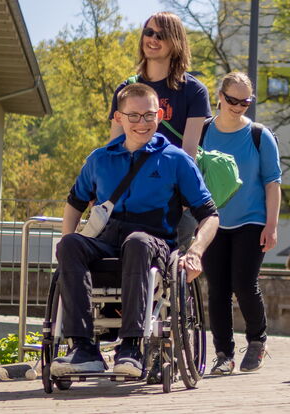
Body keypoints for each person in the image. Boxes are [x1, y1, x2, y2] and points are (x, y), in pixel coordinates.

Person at [51, 83, 219, 377]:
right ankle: (83, 348)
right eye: (134, 116)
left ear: (161, 115)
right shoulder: (99, 159)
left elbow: (210, 215)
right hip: (107, 238)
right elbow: (75, 203)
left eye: (149, 115)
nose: (142, 123)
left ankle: (130, 347)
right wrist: (68, 238)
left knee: (137, 242)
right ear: (118, 118)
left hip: (153, 239)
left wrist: (195, 251)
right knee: (69, 246)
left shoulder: (176, 159)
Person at [108, 11, 212, 251]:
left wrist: (181, 197)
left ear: (175, 42)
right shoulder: (126, 88)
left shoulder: (194, 91)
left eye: (161, 35)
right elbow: (115, 145)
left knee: (171, 273)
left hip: (171, 199)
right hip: (130, 197)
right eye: (148, 32)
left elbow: (189, 152)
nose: (152, 39)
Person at [201, 71, 282, 375]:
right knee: (217, 289)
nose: (238, 106)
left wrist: (271, 226)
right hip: (212, 221)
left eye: (245, 102)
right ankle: (223, 354)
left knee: (244, 283)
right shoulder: (204, 131)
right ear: (219, 97)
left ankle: (258, 341)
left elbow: (273, 184)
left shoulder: (260, 136)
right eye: (233, 100)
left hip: (252, 220)